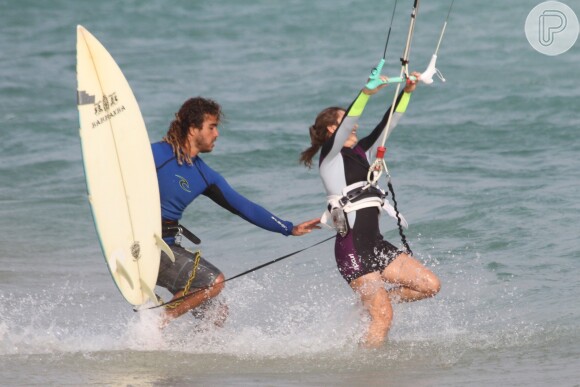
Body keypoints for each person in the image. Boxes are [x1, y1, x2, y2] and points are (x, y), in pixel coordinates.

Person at [300, 73, 440, 348]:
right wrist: (365, 93)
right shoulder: (330, 158)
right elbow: (347, 125)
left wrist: (408, 91)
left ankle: (373, 303)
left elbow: (389, 122)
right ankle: (368, 370)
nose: (355, 127)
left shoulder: (363, 152)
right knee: (383, 317)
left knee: (429, 286)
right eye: (346, 123)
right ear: (331, 130)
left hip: (375, 244)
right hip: (351, 247)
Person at [153, 97, 320, 326]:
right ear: (193, 129)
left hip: (167, 247)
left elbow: (243, 206)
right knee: (213, 282)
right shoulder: (156, 155)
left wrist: (289, 228)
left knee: (216, 313)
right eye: (212, 127)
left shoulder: (204, 175)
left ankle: (195, 355)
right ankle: (156, 324)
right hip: (145, 246)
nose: (217, 134)